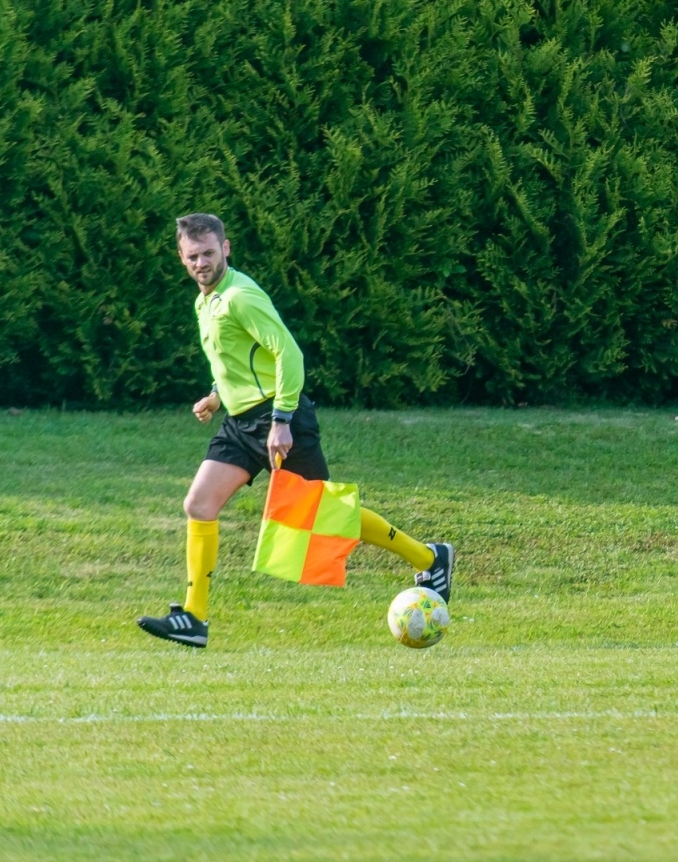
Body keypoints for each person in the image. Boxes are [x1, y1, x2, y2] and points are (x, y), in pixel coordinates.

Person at [136, 213, 454, 647]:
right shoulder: (205, 300)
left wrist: (282, 421)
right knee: (199, 503)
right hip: (241, 422)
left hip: (280, 418)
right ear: (181, 257)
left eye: (209, 253)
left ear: (226, 248)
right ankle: (194, 618)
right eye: (193, 256)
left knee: (327, 514)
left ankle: (429, 556)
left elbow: (289, 355)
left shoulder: (241, 296)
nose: (201, 262)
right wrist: (216, 394)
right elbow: (242, 357)